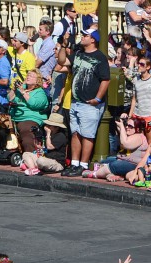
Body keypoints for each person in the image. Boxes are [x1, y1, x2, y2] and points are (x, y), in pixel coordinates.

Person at [59, 28, 110, 176]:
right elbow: (62, 61)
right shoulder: (78, 54)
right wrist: (63, 46)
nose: (82, 37)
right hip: (76, 101)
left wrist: (98, 99)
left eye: (85, 35)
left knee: (87, 134)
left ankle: (83, 164)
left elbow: (105, 80)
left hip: (90, 104)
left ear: (93, 39)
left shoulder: (100, 57)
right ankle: (74, 163)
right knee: (75, 133)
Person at [9, 69, 50, 153]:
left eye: (31, 76)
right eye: (28, 75)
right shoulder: (21, 90)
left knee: (26, 129)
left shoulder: (40, 93)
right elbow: (10, 99)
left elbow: (34, 104)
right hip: (15, 117)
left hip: (30, 118)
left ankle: (30, 155)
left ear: (37, 81)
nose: (28, 77)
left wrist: (23, 92)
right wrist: (14, 89)